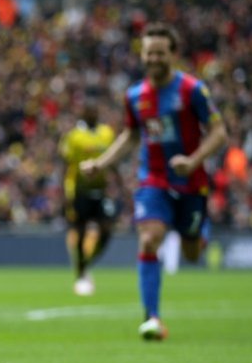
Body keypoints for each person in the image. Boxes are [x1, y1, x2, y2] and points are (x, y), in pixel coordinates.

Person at [81, 22, 227, 340]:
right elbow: (131, 135)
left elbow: (219, 132)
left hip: (192, 182)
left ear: (172, 54)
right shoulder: (135, 96)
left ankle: (198, 231)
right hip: (154, 179)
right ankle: (152, 318)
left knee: (191, 253)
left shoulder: (192, 90)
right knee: (149, 238)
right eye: (149, 53)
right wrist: (101, 163)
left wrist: (193, 161)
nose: (154, 58)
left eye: (160, 52)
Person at [58, 97, 119, 296]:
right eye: (89, 110)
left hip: (101, 190)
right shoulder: (74, 136)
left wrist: (117, 184)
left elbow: (113, 160)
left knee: (107, 229)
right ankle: (82, 273)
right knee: (81, 230)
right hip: (80, 189)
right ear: (83, 113)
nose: (93, 113)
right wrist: (66, 190)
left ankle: (87, 261)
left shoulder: (107, 133)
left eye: (95, 110)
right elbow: (67, 165)